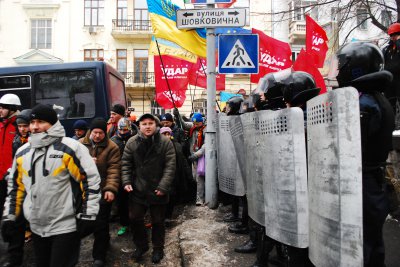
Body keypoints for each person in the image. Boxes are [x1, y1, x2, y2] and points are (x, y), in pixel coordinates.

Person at [1, 104, 101, 267]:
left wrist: (89, 214)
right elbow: (15, 188)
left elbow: (90, 180)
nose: (34, 127)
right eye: (32, 122)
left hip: (65, 226)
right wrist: (9, 216)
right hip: (37, 226)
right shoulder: (22, 153)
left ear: (53, 124)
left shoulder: (70, 148)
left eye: (40, 122)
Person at [336, 42, 395, 267]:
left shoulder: (364, 104)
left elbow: (350, 144)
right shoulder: (375, 98)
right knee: (372, 241)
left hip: (363, 182)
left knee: (363, 244)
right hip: (372, 179)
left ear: (355, 68)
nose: (338, 70)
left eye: (341, 65)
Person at [121, 113, 176, 264]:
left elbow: (170, 166)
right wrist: (126, 181)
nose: (147, 126)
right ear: (139, 126)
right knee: (135, 218)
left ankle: (158, 248)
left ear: (156, 125)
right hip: (138, 188)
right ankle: (141, 246)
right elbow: (126, 164)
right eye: (144, 124)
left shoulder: (165, 142)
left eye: (151, 123)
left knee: (158, 221)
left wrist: (163, 186)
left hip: (158, 189)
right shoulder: (132, 142)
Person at [80, 118, 120, 267]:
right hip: (83, 191)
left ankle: (99, 256)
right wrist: (86, 164)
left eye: (101, 133)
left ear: (105, 133)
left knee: (101, 224)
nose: (97, 136)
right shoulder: (79, 144)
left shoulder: (112, 147)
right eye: (95, 132)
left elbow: (114, 170)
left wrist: (110, 189)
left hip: (102, 190)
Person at [1, 109, 31, 267]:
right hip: (20, 187)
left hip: (35, 189)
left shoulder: (36, 141)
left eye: (25, 126)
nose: (22, 129)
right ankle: (14, 260)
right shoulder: (16, 141)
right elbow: (15, 162)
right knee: (16, 224)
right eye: (20, 126)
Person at [159, 126, 192, 225]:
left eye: (168, 134)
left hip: (174, 175)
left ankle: (168, 217)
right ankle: (161, 217)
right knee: (162, 196)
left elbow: (182, 160)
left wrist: (187, 174)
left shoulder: (177, 145)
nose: (166, 136)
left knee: (172, 196)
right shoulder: (156, 146)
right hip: (161, 176)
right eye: (164, 134)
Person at [174, 111, 206, 206]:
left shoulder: (206, 130)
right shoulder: (193, 126)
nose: (195, 125)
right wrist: (177, 115)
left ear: (202, 122)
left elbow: (205, 146)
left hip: (202, 158)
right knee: (195, 178)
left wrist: (195, 155)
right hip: (194, 158)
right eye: (194, 123)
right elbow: (183, 124)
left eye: (197, 123)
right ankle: (200, 196)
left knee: (200, 178)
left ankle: (200, 199)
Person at [110, 118, 133, 236]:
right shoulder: (113, 140)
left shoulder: (134, 139)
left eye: (125, 130)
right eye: (121, 130)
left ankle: (136, 223)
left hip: (133, 174)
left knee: (135, 201)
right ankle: (124, 224)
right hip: (119, 175)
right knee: (121, 202)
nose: (123, 132)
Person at [0, 94, 21, 220]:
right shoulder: (2, 125)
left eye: (3, 107)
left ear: (12, 108)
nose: (0, 110)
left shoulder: (19, 126)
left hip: (12, 175)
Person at [383, 22, 400, 118]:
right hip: (390, 79)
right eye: (391, 35)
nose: (393, 37)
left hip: (399, 78)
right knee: (390, 102)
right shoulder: (389, 48)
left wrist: (398, 41)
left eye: (395, 35)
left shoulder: (398, 45)